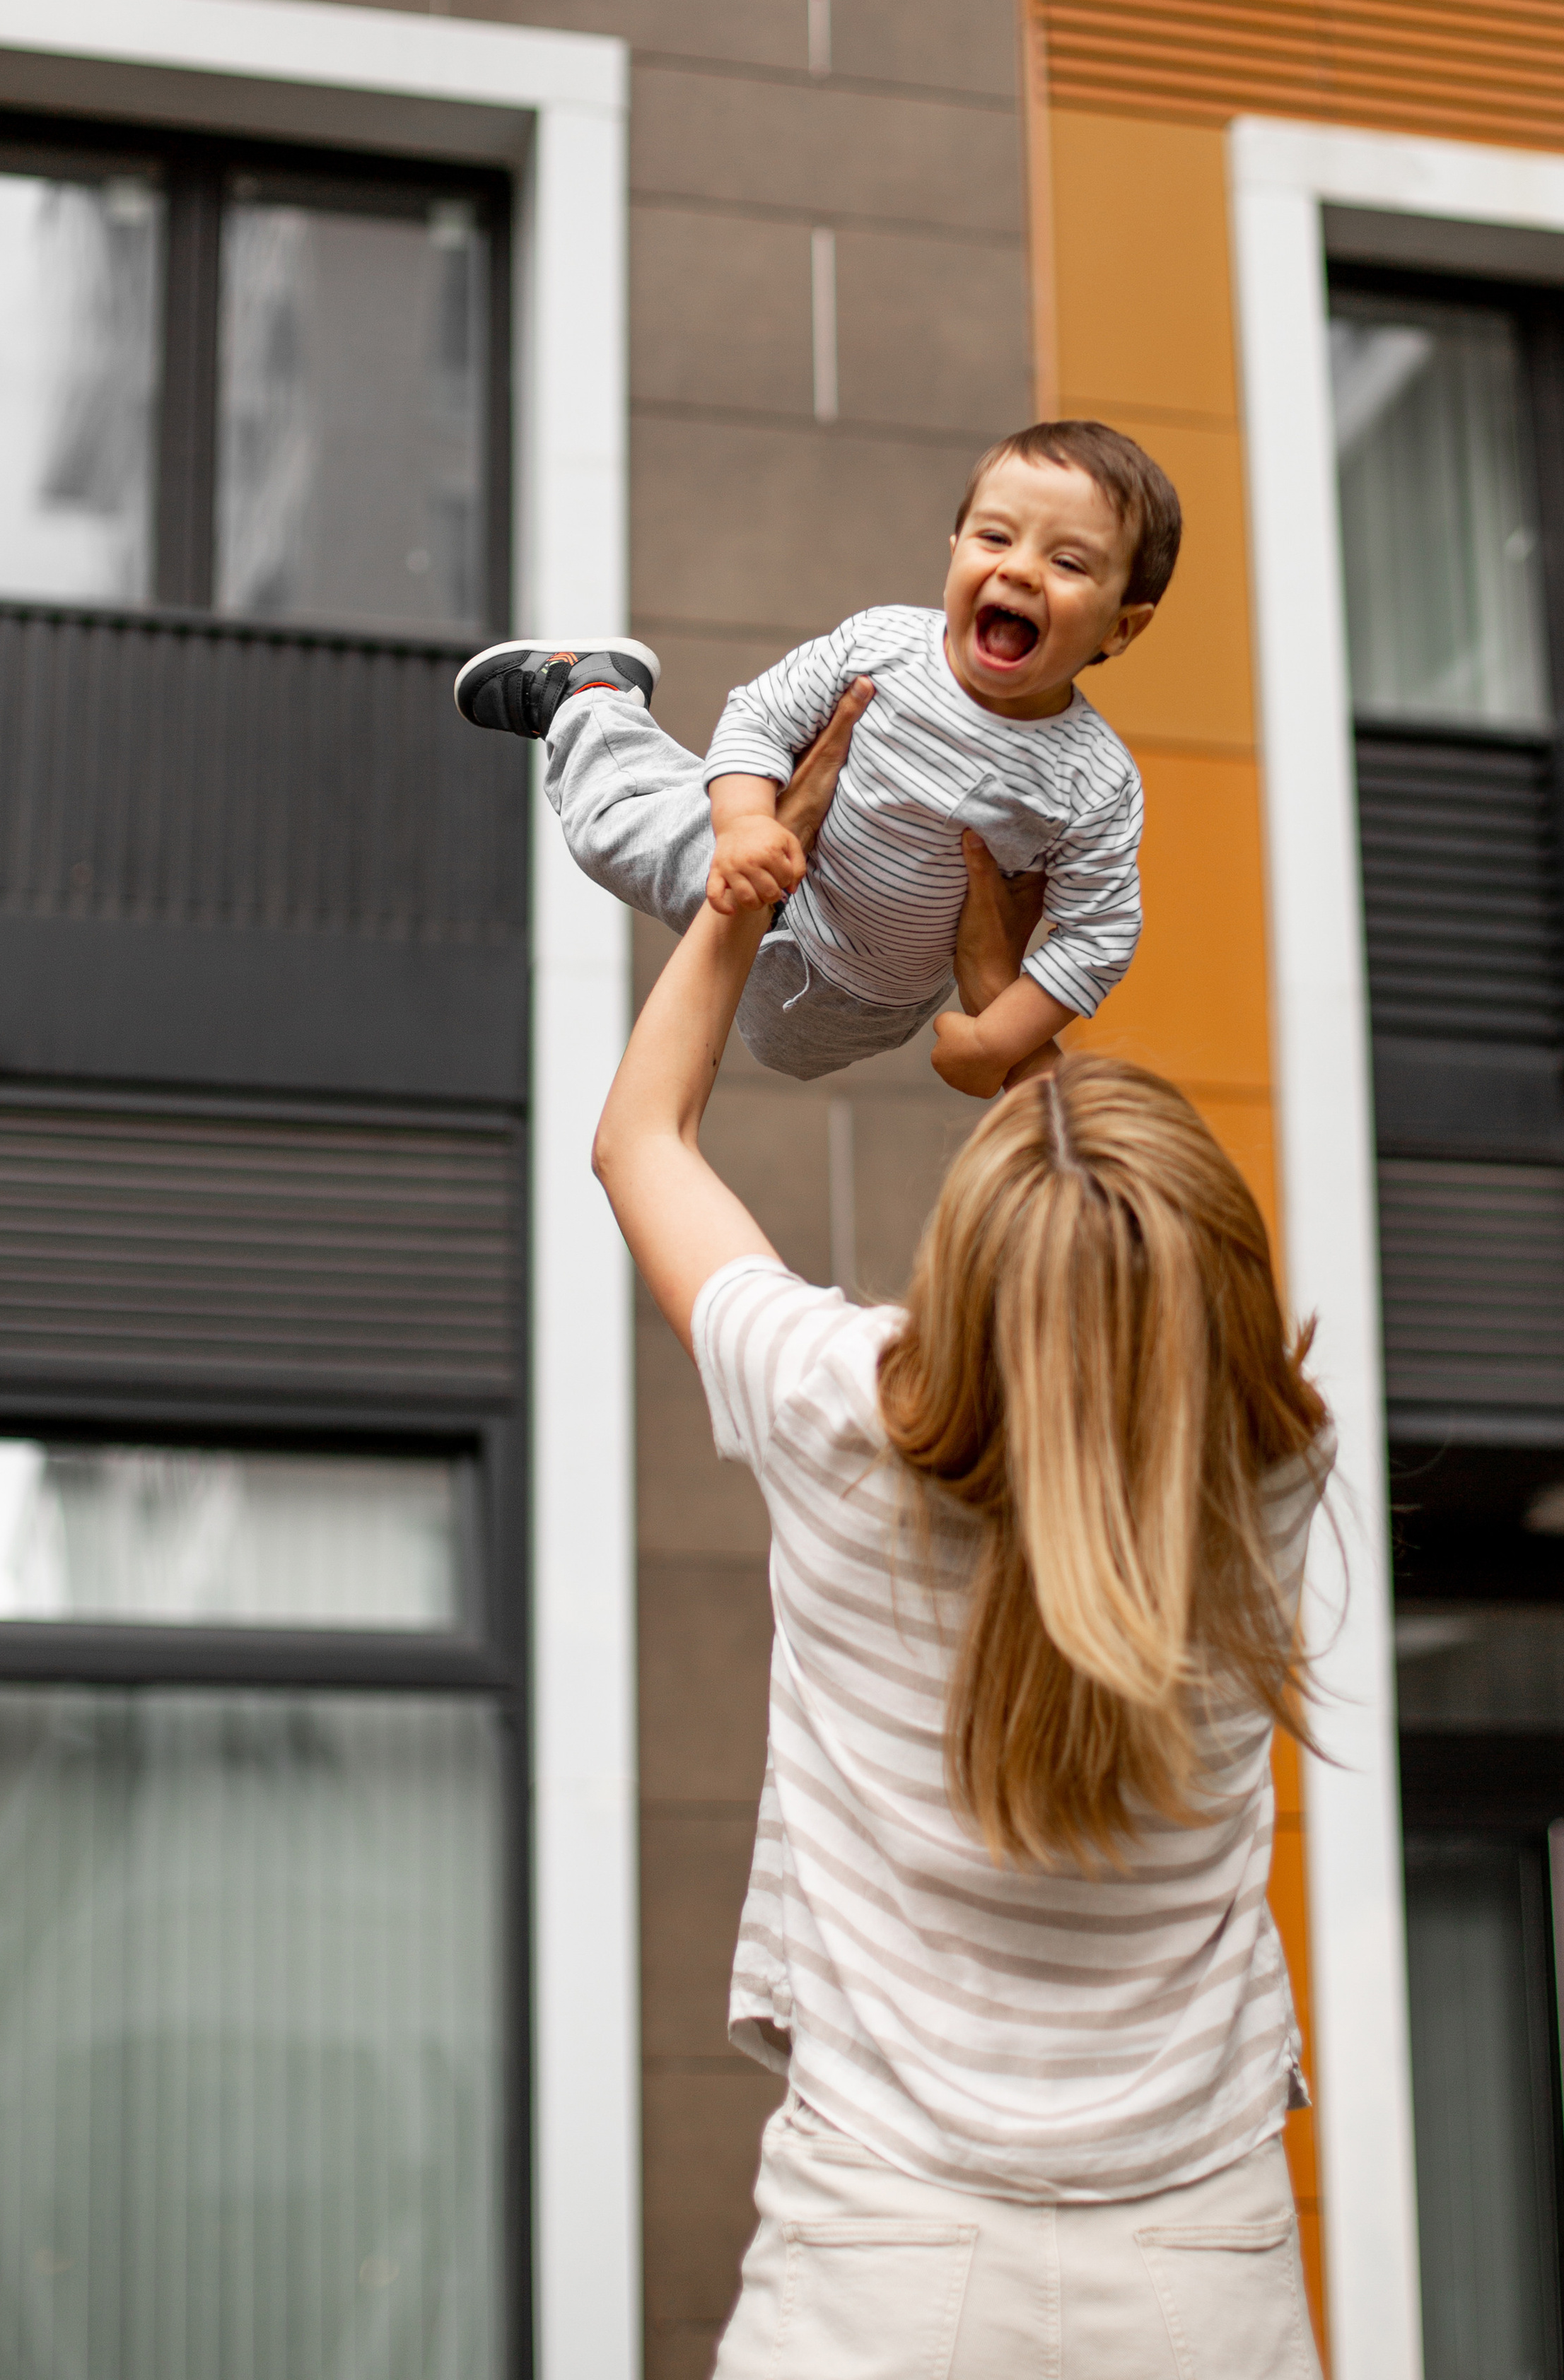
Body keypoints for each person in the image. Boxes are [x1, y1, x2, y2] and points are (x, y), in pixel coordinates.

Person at [590, 693, 1335, 2380]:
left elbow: (639, 1140)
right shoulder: (1269, 1475)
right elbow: (1113, 1298)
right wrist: (1018, 1026)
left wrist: (742, 881)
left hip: (880, 2252)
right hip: (1200, 2257)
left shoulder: (837, 1411)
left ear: (970, 1264)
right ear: (1219, 1283)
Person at [454, 418, 1179, 1094]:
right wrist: (743, 825)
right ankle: (589, 696)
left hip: (868, 997)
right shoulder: (884, 646)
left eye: (1066, 561)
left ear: (1121, 627)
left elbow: (1100, 932)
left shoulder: (1092, 779)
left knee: (786, 1053)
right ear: (955, 547)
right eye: (996, 538)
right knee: (608, 830)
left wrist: (998, 1039)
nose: (1019, 571)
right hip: (764, 861)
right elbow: (759, 714)